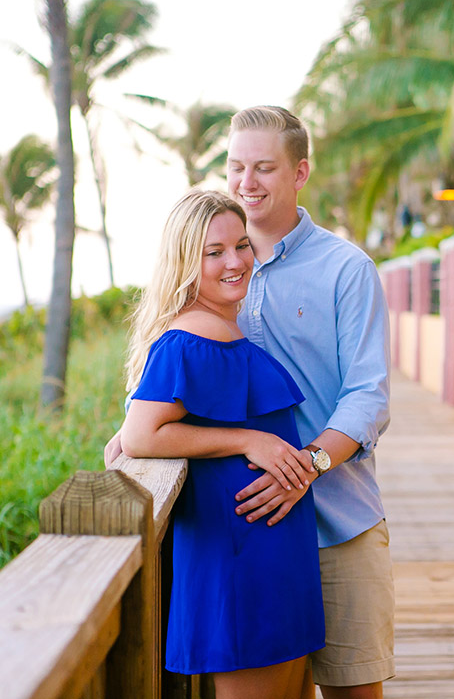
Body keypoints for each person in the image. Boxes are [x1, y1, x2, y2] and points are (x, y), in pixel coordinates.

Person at [108, 105, 394, 698]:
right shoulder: (215, 273)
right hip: (247, 531)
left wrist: (305, 465)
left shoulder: (345, 269)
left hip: (337, 522)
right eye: (237, 166)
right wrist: (137, 428)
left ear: (301, 172)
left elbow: (368, 396)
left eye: (265, 166)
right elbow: (179, 379)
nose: (247, 181)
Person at [118, 189, 325, 699]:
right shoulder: (190, 339)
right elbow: (141, 435)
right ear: (187, 260)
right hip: (241, 560)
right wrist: (247, 439)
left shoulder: (219, 330)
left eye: (241, 245)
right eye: (215, 252)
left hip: (271, 549)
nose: (235, 262)